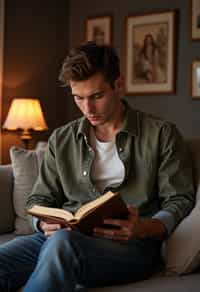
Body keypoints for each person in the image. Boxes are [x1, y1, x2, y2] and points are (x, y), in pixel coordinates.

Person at [0, 42, 195, 291]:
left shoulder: (161, 134)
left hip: (130, 247)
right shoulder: (61, 139)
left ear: (119, 85)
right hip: (61, 238)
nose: (88, 109)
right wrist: (42, 223)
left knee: (63, 244)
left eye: (97, 96)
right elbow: (38, 198)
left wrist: (146, 227)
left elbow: (180, 199)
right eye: (78, 98)